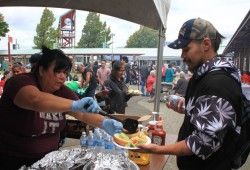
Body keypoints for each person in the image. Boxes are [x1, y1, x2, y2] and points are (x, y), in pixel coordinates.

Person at [137, 18, 242, 170]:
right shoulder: (204, 75)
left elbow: (202, 142)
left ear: (206, 44)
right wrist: (189, 108)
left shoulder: (217, 84)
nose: (182, 56)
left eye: (186, 49)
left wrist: (157, 149)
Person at [0, 46, 122, 169]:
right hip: (14, 161)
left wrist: (105, 123)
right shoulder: (20, 82)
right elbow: (35, 100)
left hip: (50, 161)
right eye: (58, 71)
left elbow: (83, 114)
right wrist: (74, 105)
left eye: (64, 72)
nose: (63, 77)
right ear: (41, 70)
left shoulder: (61, 91)